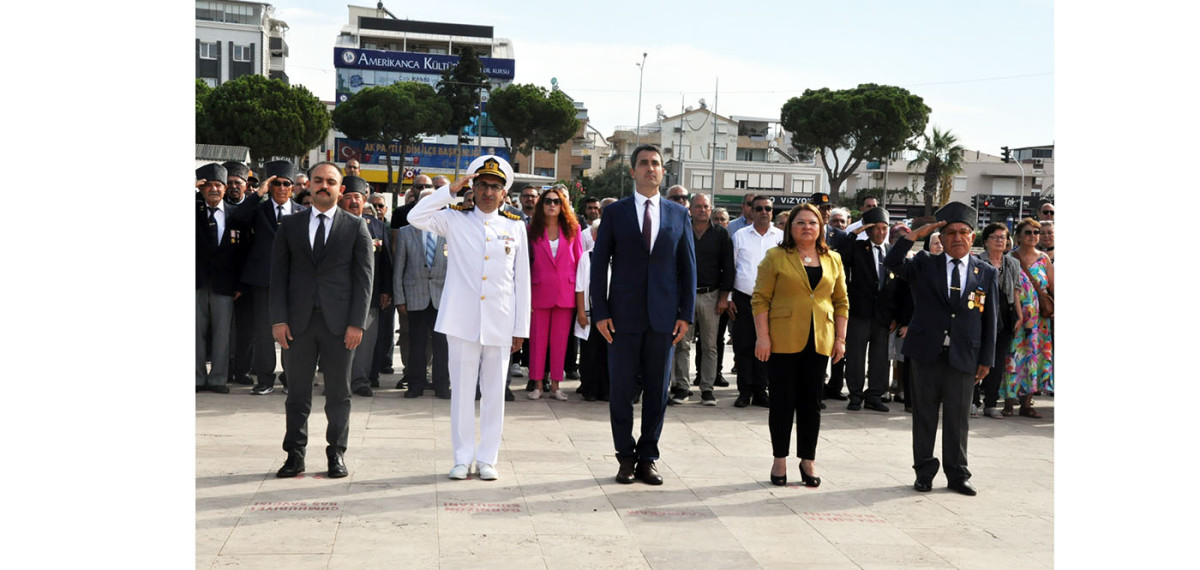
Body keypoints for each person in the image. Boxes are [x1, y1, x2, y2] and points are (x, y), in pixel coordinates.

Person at [407, 155, 531, 481]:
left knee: (493, 394)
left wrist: (521, 328)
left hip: (500, 321)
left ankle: (488, 458)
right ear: (473, 189)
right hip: (461, 320)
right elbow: (415, 215)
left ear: (505, 192)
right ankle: (462, 458)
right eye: (482, 185)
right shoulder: (454, 218)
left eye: (495, 187)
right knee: (461, 393)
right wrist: (450, 190)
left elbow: (522, 282)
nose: (488, 192)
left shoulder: (515, 227)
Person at [591, 143, 696, 486]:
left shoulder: (679, 214)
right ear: (632, 171)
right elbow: (598, 266)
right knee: (621, 391)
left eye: (656, 164)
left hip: (664, 319)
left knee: (657, 391)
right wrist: (600, 311)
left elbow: (688, 268)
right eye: (644, 163)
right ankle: (625, 457)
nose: (650, 168)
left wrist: (686, 313)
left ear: (663, 172)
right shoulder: (616, 213)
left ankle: (648, 457)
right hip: (622, 318)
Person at [883, 202, 998, 496]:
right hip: (926, 353)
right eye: (950, 233)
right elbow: (892, 263)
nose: (957, 237)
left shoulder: (984, 272)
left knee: (958, 419)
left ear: (973, 238)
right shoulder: (924, 263)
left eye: (964, 232)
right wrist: (913, 236)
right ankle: (924, 471)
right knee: (924, 416)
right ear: (942, 237)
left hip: (964, 355)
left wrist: (986, 358)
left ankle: (957, 474)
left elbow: (991, 319)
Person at [271, 161, 375, 480]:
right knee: (297, 393)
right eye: (317, 180)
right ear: (309, 186)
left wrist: (357, 323)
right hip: (298, 324)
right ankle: (295, 454)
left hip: (340, 326)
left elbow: (364, 279)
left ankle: (336, 453)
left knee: (338, 394)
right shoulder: (290, 226)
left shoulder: (356, 226)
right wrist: (278, 320)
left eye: (331, 181)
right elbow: (278, 276)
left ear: (340, 189)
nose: (323, 186)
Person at [753, 203, 848, 487]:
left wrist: (841, 338)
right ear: (790, 228)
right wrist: (762, 336)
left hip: (820, 339)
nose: (807, 227)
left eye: (813, 223)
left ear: (821, 228)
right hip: (782, 339)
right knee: (782, 402)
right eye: (801, 223)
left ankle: (808, 459)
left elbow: (841, 301)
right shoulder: (775, 257)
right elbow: (760, 299)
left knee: (811, 403)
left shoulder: (833, 258)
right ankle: (779, 459)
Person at [225, 160, 306, 396]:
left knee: (293, 331)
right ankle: (264, 378)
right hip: (263, 280)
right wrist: (258, 192)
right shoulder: (258, 209)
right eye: (276, 184)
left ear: (293, 188)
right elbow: (237, 219)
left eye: (286, 184)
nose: (281, 188)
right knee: (263, 332)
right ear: (270, 186)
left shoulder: (302, 212)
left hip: (294, 283)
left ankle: (290, 378)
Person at [672, 193, 733, 406]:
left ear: (711, 208)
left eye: (706, 206)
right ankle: (682, 387)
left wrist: (724, 297)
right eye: (698, 206)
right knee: (682, 344)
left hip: (711, 295)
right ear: (690, 209)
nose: (702, 210)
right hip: (684, 296)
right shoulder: (682, 231)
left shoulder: (720, 234)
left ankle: (707, 388)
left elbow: (729, 267)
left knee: (710, 345)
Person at [526, 184, 584, 401]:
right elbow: (527, 264)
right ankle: (538, 384)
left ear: (563, 205)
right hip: (539, 291)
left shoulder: (573, 229)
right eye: (548, 201)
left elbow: (579, 263)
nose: (552, 205)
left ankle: (556, 385)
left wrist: (580, 302)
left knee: (560, 342)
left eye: (556, 201)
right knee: (538, 341)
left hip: (565, 293)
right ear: (542, 205)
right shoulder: (532, 230)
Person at [393, 188, 451, 399]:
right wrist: (399, 298)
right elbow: (399, 267)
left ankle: (442, 385)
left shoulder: (449, 231)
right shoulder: (407, 232)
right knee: (416, 344)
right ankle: (415, 384)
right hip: (415, 297)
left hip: (442, 298)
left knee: (442, 345)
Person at [840, 206, 897, 412]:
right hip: (859, 313)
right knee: (855, 356)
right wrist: (854, 233)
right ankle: (855, 395)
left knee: (880, 357)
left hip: (883, 316)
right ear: (868, 230)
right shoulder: (857, 247)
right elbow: (840, 255)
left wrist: (896, 316)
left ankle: (875, 395)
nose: (881, 233)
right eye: (876, 228)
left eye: (884, 228)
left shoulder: (891, 252)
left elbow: (898, 287)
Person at [339, 176, 393, 398]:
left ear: (365, 200)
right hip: (339, 295)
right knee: (338, 342)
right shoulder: (333, 222)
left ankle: (361, 381)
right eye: (349, 197)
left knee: (365, 341)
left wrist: (386, 290)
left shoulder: (377, 226)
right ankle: (338, 382)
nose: (353, 202)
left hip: (369, 295)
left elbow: (386, 261)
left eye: (358, 198)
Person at [729, 195, 782, 408]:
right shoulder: (740, 236)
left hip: (773, 301)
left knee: (766, 346)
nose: (763, 212)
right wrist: (730, 297)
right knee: (744, 346)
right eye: (758, 208)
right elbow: (731, 267)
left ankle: (761, 390)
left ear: (772, 211)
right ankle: (744, 391)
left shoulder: (780, 237)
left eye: (767, 208)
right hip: (744, 299)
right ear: (750, 210)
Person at [196, 163, 242, 394]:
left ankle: (218, 379)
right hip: (196, 283)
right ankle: (196, 377)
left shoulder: (235, 215)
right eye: (209, 185)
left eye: (218, 185)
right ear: (201, 189)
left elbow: (244, 253)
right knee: (195, 332)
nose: (214, 189)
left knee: (222, 334)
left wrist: (240, 284)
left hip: (225, 285)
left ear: (225, 189)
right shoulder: (193, 211)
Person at [1003, 218, 1054, 418]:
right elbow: (1009, 288)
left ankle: (1027, 404)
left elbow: (1051, 286)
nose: (1033, 236)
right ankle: (1008, 402)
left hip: (1040, 321)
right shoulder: (1011, 258)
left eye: (1036, 232)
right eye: (1028, 232)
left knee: (1035, 357)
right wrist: (1017, 312)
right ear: (1018, 236)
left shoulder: (1044, 259)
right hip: (1017, 316)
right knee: (1012, 357)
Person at [975, 223, 1022, 419]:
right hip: (981, 313)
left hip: (1005, 313)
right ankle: (973, 401)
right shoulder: (977, 261)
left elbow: (1016, 290)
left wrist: (1019, 315)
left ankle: (991, 404)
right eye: (995, 237)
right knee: (977, 357)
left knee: (996, 361)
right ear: (985, 241)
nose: (1000, 240)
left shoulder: (1012, 263)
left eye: (1003, 237)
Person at [221, 161, 255, 386]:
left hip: (246, 280)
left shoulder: (254, 209)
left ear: (246, 185)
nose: (233, 187)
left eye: (238, 183)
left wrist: (242, 284)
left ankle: (242, 370)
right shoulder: (214, 207)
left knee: (245, 331)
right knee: (222, 332)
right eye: (229, 182)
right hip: (220, 280)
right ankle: (223, 370)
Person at [575, 220, 608, 402]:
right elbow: (580, 287)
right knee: (590, 353)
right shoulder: (586, 257)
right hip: (590, 312)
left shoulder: (619, 256)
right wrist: (581, 312)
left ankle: (607, 389)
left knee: (608, 353)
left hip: (612, 314)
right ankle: (590, 389)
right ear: (593, 236)